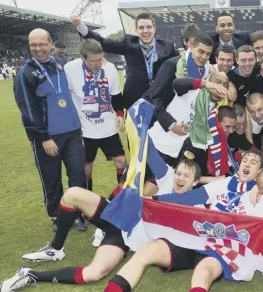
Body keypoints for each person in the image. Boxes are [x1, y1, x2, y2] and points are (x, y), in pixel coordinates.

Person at [57, 151, 263, 292]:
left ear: (259, 171)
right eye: (245, 160)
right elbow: (186, 199)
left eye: (253, 161)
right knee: (148, 251)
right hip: (196, 240)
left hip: (225, 250)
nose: (247, 163)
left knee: (202, 274)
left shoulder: (257, 195)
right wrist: (150, 202)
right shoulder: (223, 184)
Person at [0, 160, 201, 292]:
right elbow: (152, 154)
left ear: (196, 182)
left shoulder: (197, 208)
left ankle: (30, 274)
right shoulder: (165, 180)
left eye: (187, 176)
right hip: (119, 218)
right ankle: (56, 248)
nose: (180, 178)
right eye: (179, 173)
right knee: (72, 194)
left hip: (124, 239)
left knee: (93, 274)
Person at [13, 28, 86, 232]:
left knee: (78, 174)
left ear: (50, 44)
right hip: (47, 137)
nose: (39, 49)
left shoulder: (60, 64)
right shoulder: (25, 73)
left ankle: (78, 212)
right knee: (51, 179)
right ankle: (57, 215)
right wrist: (43, 137)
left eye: (42, 44)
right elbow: (27, 110)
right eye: (34, 45)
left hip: (71, 132)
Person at [69, 13, 177, 110]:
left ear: (154, 29)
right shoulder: (129, 44)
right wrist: (80, 26)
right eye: (141, 27)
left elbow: (177, 69)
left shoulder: (168, 46)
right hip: (135, 101)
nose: (145, 31)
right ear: (136, 30)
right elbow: (103, 42)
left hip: (161, 100)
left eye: (149, 27)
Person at [64, 39, 127, 192]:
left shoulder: (110, 67)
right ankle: (88, 204)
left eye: (100, 59)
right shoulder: (70, 69)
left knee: (121, 161)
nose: (98, 63)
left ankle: (121, 199)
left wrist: (119, 114)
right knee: (86, 168)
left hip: (108, 127)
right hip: (85, 130)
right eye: (93, 61)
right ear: (83, 58)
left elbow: (116, 94)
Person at [144, 33, 213, 136]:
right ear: (192, 47)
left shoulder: (205, 71)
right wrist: (171, 125)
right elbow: (155, 98)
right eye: (201, 51)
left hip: (180, 124)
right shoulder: (172, 65)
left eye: (208, 54)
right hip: (153, 123)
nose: (204, 57)